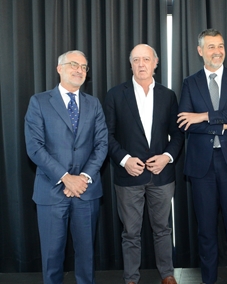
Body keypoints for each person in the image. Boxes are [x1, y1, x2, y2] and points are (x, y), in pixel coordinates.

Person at [177, 28, 227, 284]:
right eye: (211, 46)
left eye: (220, 46)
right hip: (202, 168)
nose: (217, 51)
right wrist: (224, 120)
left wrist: (205, 116)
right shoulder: (190, 82)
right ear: (200, 51)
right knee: (206, 232)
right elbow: (186, 122)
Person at [25, 50, 108, 284]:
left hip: (86, 190)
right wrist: (65, 177)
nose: (80, 69)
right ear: (59, 68)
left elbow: (102, 144)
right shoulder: (39, 102)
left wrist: (82, 178)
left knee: (86, 257)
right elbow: (35, 147)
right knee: (52, 257)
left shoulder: (94, 104)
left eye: (84, 67)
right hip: (51, 191)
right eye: (74, 64)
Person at [104, 44, 184, 284]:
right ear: (130, 64)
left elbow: (178, 134)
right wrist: (125, 160)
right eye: (136, 60)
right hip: (128, 177)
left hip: (161, 176)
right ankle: (131, 279)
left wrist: (167, 157)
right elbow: (106, 135)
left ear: (155, 63)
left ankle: (167, 275)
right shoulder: (115, 94)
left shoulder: (168, 95)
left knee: (163, 230)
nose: (141, 64)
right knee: (130, 233)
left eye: (146, 59)